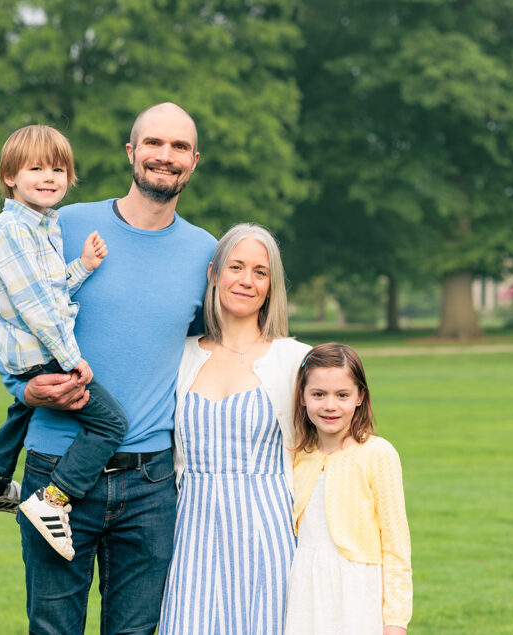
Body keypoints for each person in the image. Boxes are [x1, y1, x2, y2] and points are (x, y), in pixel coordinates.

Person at [0, 103, 216, 634]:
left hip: (150, 481)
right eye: (154, 143)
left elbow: (210, 347)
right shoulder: (60, 225)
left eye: (179, 147)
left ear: (194, 160)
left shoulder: (205, 251)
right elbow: (2, 314)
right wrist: (24, 392)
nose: (165, 156)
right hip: (55, 468)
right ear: (131, 152)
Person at [0, 124, 128, 563]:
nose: (49, 177)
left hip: (29, 356)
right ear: (10, 176)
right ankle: (53, 499)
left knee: (22, 410)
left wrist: (83, 266)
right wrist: (74, 361)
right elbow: (38, 309)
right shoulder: (13, 231)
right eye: (36, 168)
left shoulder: (41, 226)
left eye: (58, 169)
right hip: (42, 357)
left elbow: (50, 288)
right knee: (112, 423)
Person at [159, 223, 311, 635]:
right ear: (214, 273)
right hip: (193, 532)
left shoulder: (296, 360)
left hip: (270, 533)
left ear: (271, 285)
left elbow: (330, 457)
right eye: (236, 267)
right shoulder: (181, 356)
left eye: (260, 272)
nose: (246, 280)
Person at [284, 342, 413, 635]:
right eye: (318, 394)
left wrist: (395, 621)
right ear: (302, 397)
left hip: (358, 591)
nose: (330, 405)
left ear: (359, 397)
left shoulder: (377, 454)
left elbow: (396, 546)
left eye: (342, 395)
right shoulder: (295, 455)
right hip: (305, 591)